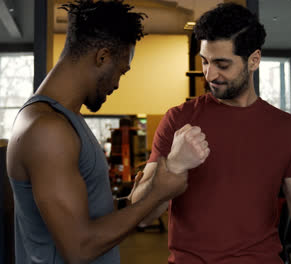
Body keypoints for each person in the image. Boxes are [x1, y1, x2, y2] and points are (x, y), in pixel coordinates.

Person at [6, 1, 209, 263]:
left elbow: (88, 212)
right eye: (121, 72)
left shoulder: (67, 121)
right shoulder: (47, 130)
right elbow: (79, 247)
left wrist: (132, 201)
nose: (116, 84)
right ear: (102, 57)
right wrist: (157, 193)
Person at [131, 3, 291, 264]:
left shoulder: (286, 129)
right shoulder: (179, 119)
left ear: (254, 60)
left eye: (222, 64)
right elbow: (141, 215)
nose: (210, 74)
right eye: (204, 61)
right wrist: (173, 166)